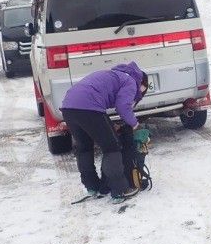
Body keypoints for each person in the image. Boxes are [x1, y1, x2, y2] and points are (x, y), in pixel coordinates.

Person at [60, 61, 148, 202]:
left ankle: (92, 187)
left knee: (84, 148)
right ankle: (119, 190)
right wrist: (135, 124)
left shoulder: (115, 75)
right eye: (143, 89)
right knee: (112, 147)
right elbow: (123, 106)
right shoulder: (131, 81)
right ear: (141, 83)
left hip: (68, 107)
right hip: (90, 107)